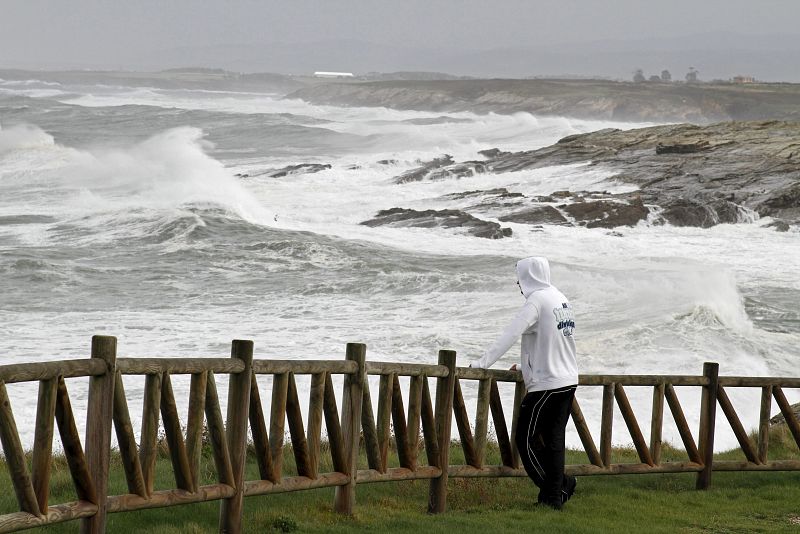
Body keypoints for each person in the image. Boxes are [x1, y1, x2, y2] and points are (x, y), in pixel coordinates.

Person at [469, 256, 578, 510]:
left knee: (524, 440)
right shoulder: (560, 298)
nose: (518, 283)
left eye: (520, 278)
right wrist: (523, 367)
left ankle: (558, 488)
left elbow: (509, 334)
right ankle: (554, 498)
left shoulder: (536, 302)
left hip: (547, 384)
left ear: (529, 276)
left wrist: (482, 363)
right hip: (568, 380)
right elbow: (554, 342)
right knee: (553, 442)